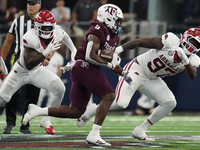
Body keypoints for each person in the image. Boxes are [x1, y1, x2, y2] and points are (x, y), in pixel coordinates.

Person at [22, 4, 133, 146]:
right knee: (109, 95)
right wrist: (110, 63)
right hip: (84, 67)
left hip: (85, 69)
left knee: (75, 111)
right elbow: (90, 55)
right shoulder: (97, 29)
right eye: (117, 20)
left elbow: (105, 57)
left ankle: (38, 111)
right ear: (108, 18)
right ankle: (94, 134)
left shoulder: (114, 36)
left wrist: (123, 73)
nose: (119, 24)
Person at [75, 27, 200, 141]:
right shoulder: (171, 41)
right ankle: (92, 110)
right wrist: (116, 50)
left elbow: (192, 75)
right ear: (184, 36)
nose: (192, 45)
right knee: (121, 103)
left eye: (196, 44)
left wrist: (185, 60)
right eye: (191, 40)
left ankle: (140, 130)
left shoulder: (193, 59)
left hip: (151, 79)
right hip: (136, 69)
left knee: (170, 102)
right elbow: (139, 42)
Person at [0, 9, 77, 135]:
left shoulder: (56, 30)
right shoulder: (29, 37)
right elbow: (29, 64)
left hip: (37, 71)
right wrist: (46, 53)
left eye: (49, 28)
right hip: (20, 71)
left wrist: (73, 50)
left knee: (59, 88)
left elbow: (65, 36)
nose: (47, 30)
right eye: (44, 28)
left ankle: (47, 120)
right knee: (2, 99)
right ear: (37, 27)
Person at [0, 0, 42, 134]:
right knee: (12, 91)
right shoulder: (18, 21)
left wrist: (47, 57)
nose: (30, 6)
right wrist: (1, 60)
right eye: (29, 3)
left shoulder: (44, 21)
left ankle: (25, 125)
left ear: (39, 6)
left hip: (37, 60)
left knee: (33, 94)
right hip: (19, 59)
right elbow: (8, 41)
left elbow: (54, 39)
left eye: (34, 3)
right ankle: (10, 123)